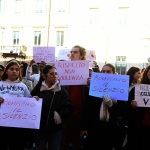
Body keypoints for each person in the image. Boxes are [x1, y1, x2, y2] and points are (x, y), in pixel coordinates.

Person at [80, 63, 127, 150]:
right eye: (103, 71)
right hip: (94, 127)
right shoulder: (94, 87)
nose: (105, 73)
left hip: (110, 128)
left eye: (108, 71)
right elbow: (86, 109)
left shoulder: (120, 89)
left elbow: (121, 112)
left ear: (113, 73)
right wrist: (83, 127)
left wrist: (111, 105)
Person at [31, 65, 73, 150]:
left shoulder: (61, 91)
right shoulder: (38, 90)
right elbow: (28, 106)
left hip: (55, 130)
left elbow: (68, 107)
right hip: (39, 130)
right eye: (52, 74)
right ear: (44, 76)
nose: (55, 76)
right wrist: (32, 101)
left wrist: (60, 115)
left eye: (56, 74)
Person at [0, 60, 38, 150]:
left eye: (17, 69)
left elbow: (29, 101)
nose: (14, 71)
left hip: (18, 125)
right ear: (6, 71)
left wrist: (34, 100)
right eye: (11, 69)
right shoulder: (0, 84)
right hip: (2, 124)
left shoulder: (22, 86)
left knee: (17, 146)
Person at [61, 45, 87, 150]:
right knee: (64, 141)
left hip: (80, 112)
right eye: (71, 52)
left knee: (78, 141)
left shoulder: (87, 72)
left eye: (75, 52)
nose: (72, 54)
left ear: (81, 56)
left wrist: (89, 83)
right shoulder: (64, 69)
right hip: (66, 111)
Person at [126, 64, 150, 150]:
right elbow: (127, 108)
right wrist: (133, 106)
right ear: (147, 74)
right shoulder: (136, 89)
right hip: (140, 127)